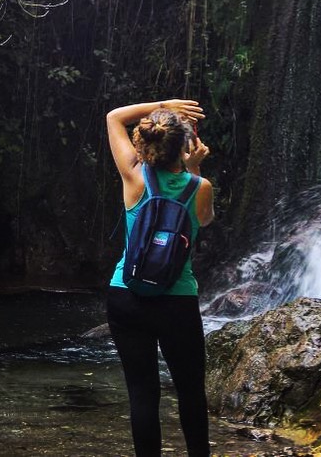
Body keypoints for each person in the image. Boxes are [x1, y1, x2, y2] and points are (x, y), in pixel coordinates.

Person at [106, 98, 214, 457]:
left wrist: (164, 104)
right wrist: (193, 169)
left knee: (142, 394)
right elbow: (205, 221)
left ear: (144, 143)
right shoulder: (200, 187)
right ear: (184, 147)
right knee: (190, 392)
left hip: (126, 294)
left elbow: (114, 117)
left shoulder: (133, 177)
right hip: (177, 300)